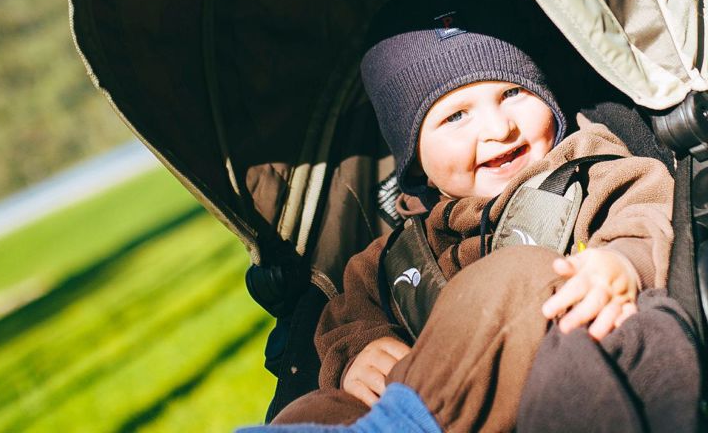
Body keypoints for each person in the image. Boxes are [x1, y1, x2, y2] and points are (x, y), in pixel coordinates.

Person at [239, 28, 685, 433]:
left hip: (554, 371)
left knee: (521, 276)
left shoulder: (588, 173)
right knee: (313, 410)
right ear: (415, 158)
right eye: (456, 116)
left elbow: (641, 209)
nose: (499, 127)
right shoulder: (391, 256)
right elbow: (344, 318)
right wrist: (359, 353)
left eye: (513, 92)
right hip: (439, 397)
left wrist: (620, 261)